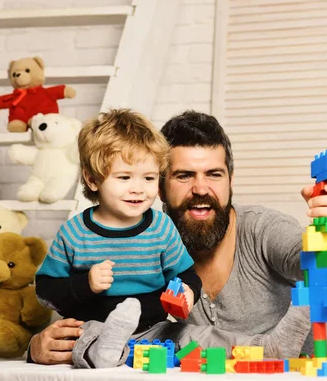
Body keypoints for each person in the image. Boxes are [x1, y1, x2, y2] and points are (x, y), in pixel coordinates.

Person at [28, 110, 327, 364]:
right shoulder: (148, 234)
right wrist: (37, 346)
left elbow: (309, 264)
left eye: (214, 174)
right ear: (160, 185)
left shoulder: (263, 230)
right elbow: (66, 298)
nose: (201, 189)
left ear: (230, 179)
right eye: (184, 176)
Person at [34, 109, 203, 368]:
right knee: (82, 342)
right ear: (92, 179)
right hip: (94, 329)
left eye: (148, 178)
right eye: (124, 177)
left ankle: (262, 345)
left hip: (153, 330)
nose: (138, 188)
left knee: (198, 335)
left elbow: (186, 274)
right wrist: (85, 284)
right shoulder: (74, 233)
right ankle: (106, 352)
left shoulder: (161, 227)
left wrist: (188, 292)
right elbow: (46, 291)